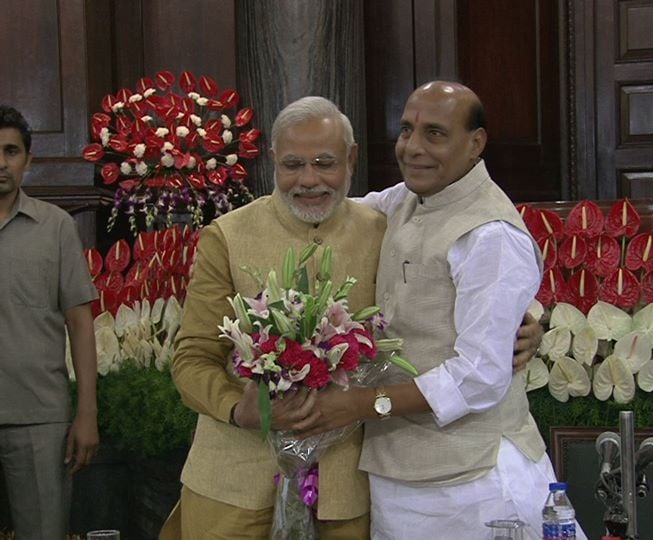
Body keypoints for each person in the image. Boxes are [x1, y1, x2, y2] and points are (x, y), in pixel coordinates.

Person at [161, 96, 541, 539]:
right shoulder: (229, 236)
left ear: (351, 160)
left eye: (325, 163)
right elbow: (192, 357)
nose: (309, 180)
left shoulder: (378, 223)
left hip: (347, 484)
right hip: (234, 477)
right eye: (292, 164)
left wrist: (528, 318)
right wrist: (236, 408)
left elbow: (492, 272)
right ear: (272, 163)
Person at [296, 82, 587, 540]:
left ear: (476, 144)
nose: (413, 148)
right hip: (398, 474)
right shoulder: (403, 201)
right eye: (406, 130)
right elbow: (332, 214)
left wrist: (358, 404)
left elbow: (478, 377)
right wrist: (304, 178)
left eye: (434, 134)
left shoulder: (490, 234)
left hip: (475, 483)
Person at [0, 105, 99, 539]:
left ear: (28, 160)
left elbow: (80, 323)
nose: (0, 163)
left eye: (10, 151)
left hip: (40, 417)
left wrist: (87, 414)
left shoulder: (55, 227)